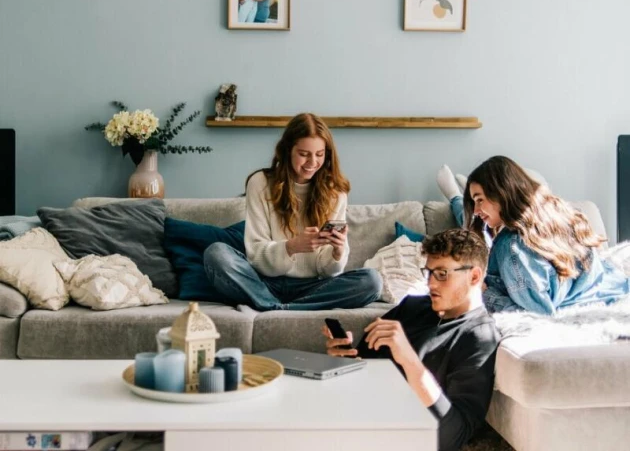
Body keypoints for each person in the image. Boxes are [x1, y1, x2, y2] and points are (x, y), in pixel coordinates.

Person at [323, 229, 500, 451]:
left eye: (442, 274)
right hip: (353, 417)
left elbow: (454, 435)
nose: (431, 284)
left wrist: (409, 361)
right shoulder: (413, 307)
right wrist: (344, 358)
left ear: (474, 276)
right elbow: (361, 371)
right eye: (429, 273)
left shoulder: (478, 337)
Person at [204, 113, 382, 311]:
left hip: (312, 287)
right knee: (216, 254)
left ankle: (275, 308)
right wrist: (292, 246)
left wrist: (338, 253)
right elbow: (256, 257)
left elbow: (327, 271)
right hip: (263, 282)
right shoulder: (261, 183)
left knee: (371, 281)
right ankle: (280, 305)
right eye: (304, 154)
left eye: (319, 154)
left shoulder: (335, 192)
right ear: (288, 150)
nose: (312, 162)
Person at [438, 156, 630, 315]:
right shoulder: (555, 211)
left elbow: (536, 315)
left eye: (480, 200)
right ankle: (456, 196)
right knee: (476, 229)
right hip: (614, 288)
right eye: (474, 201)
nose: (477, 209)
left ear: (501, 193)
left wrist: (483, 293)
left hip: (593, 298)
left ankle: (456, 196)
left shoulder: (512, 247)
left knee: (473, 233)